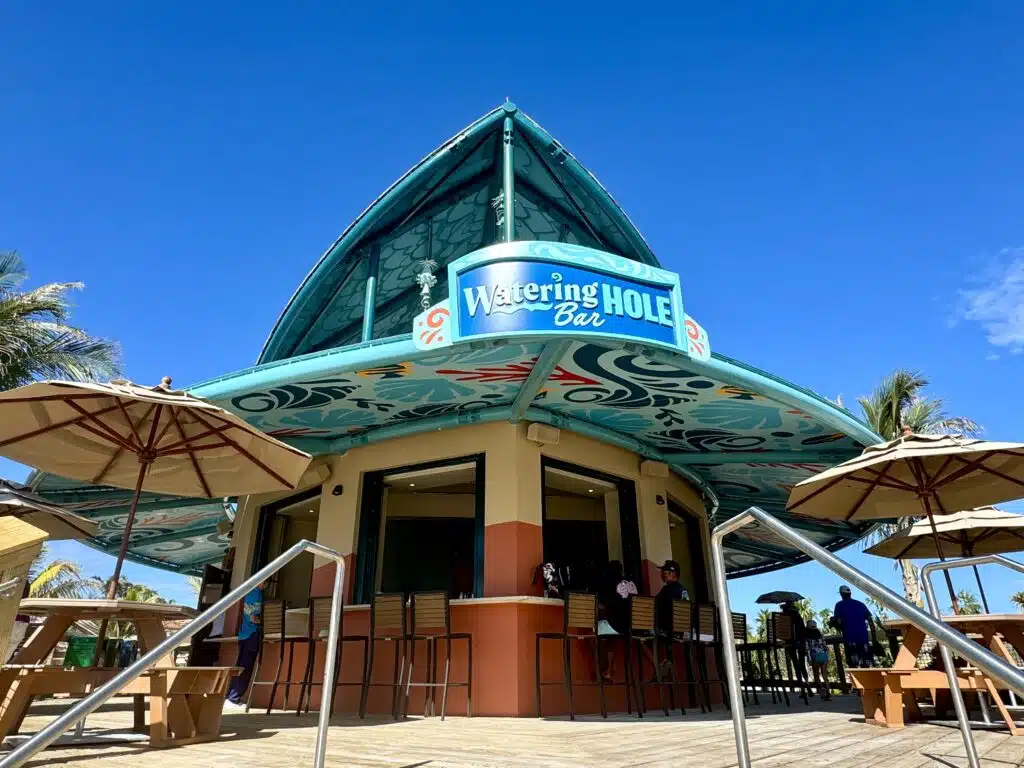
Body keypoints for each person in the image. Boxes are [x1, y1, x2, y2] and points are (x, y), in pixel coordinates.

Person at [225, 580, 266, 708]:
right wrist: (267, 622)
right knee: (246, 667)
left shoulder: (249, 593)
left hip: (244, 635)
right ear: (262, 581)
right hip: (252, 634)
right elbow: (254, 618)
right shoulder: (257, 594)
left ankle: (231, 696)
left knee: (241, 666)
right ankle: (233, 698)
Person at [596, 560, 637, 681]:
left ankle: (605, 669)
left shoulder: (611, 582)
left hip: (618, 625)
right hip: (632, 626)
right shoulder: (632, 583)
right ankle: (610, 668)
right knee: (610, 635)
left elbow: (607, 605)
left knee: (593, 633)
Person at [831, 585, 881, 667]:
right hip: (863, 639)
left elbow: (839, 622)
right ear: (850, 593)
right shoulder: (861, 604)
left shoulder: (839, 605)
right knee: (866, 664)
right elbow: (871, 622)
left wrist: (834, 622)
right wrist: (874, 639)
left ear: (841, 594)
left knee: (854, 665)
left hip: (850, 639)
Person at [779, 600, 809, 688]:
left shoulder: (782, 616)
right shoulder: (798, 616)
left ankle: (801, 684)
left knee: (795, 664)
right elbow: (803, 630)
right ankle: (807, 685)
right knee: (802, 664)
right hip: (800, 641)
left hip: (789, 642)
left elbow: (781, 632)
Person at [655, 560, 689, 633]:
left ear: (673, 574)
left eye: (664, 572)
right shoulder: (683, 590)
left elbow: (654, 605)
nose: (662, 575)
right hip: (682, 629)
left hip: (668, 630)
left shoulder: (667, 590)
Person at [804, 619, 832, 701]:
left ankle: (821, 689)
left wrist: (809, 659)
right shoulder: (820, 635)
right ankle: (828, 693)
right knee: (825, 676)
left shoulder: (807, 637)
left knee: (816, 676)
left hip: (814, 655)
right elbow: (825, 646)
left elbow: (807, 649)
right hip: (823, 655)